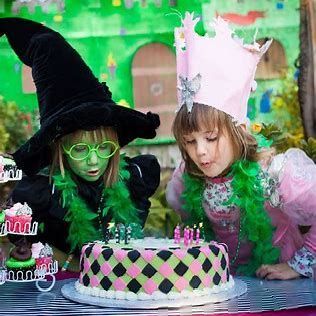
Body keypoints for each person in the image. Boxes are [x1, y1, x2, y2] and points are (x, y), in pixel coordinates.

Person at [0, 18, 160, 270]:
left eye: (104, 147)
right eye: (81, 149)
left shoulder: (133, 181)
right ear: (59, 148)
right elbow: (29, 252)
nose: (94, 160)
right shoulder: (43, 196)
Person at [166, 13, 316, 280]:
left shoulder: (273, 174)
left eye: (211, 138)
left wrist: (299, 263)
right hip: (223, 282)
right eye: (190, 141)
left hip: (276, 278)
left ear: (239, 132)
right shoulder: (186, 180)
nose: (200, 151)